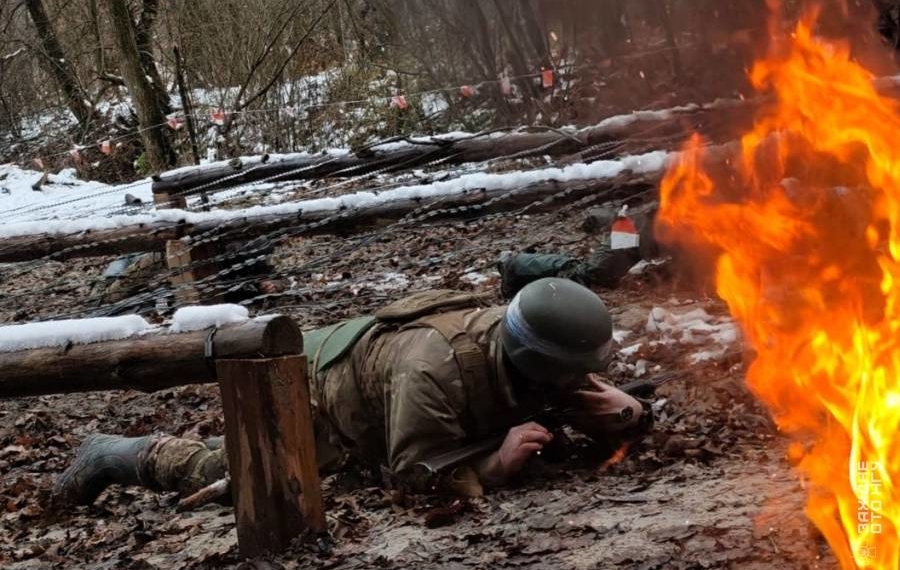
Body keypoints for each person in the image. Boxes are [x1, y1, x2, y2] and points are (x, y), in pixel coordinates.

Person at [54, 278, 652, 505]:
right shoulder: (435, 369)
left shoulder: (535, 352)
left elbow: (579, 396)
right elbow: (410, 472)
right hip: (320, 395)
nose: (579, 385)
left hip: (379, 378)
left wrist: (629, 414)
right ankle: (113, 454)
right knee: (237, 473)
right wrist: (493, 464)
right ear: (533, 362)